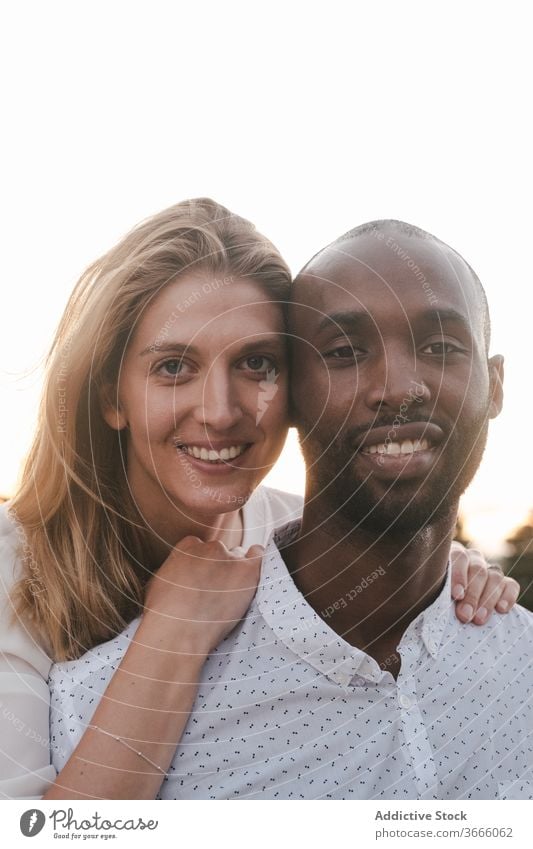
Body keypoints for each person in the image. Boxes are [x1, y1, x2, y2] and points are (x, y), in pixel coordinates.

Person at [46, 217, 530, 800]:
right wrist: (169, 638)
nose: (400, 387)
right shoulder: (98, 701)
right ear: (298, 394)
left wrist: (453, 563)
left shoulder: (512, 651)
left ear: (496, 384)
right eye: (345, 352)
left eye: (442, 347)